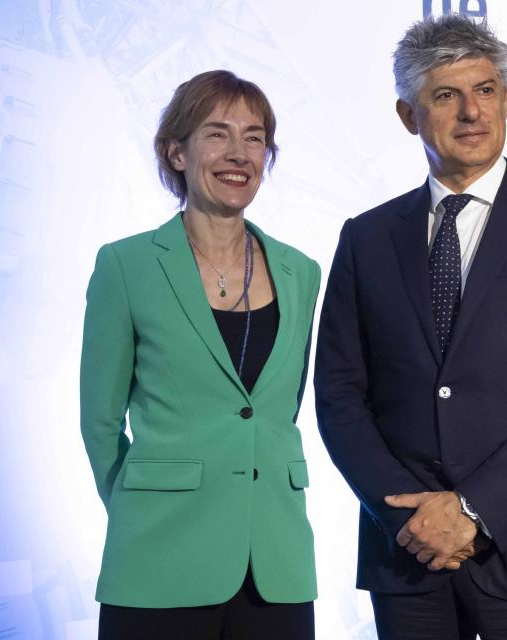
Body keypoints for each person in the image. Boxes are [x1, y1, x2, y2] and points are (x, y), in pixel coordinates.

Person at [315, 14, 507, 640]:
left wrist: (472, 510)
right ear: (409, 115)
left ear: (506, 100)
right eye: (446, 96)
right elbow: (340, 396)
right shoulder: (366, 237)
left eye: (485, 91)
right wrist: (410, 516)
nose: (472, 113)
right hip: (409, 555)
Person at [80, 70, 320, 640]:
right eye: (217, 134)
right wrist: (143, 507)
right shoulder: (127, 265)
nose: (238, 153)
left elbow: (278, 413)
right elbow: (99, 422)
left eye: (255, 137)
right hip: (159, 555)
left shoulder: (301, 272)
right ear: (176, 152)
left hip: (275, 564)